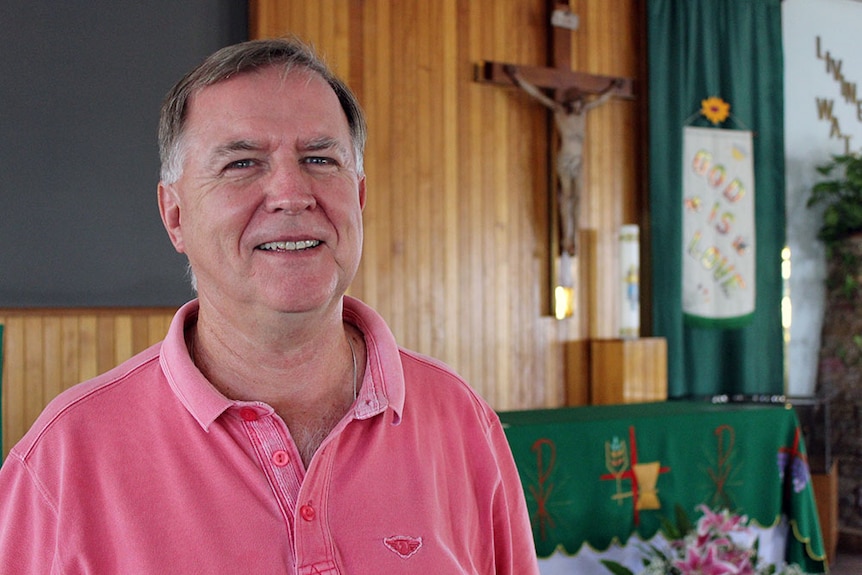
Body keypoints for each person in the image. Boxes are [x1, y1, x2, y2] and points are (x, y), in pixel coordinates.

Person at [0, 38, 540, 574]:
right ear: (175, 217)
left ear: (360, 198)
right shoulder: (63, 463)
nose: (291, 192)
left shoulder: (463, 423)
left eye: (320, 158)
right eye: (242, 163)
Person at [505, 65, 620, 256]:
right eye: (575, 101)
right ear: (569, 102)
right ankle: (566, 237)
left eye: (579, 101)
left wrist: (613, 88)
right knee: (566, 197)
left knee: (578, 198)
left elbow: (601, 100)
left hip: (578, 160)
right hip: (566, 159)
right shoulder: (559, 112)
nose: (577, 104)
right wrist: (518, 78)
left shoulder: (583, 112)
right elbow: (537, 95)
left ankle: (573, 237)